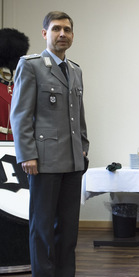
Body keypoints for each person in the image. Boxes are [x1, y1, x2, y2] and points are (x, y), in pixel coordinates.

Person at [10, 11, 89, 276]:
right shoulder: (30, 65)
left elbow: (79, 114)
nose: (62, 34)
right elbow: (19, 115)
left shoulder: (75, 70)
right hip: (43, 161)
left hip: (73, 161)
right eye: (56, 29)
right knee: (42, 228)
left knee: (68, 229)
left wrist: (84, 146)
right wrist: (27, 155)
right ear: (45, 33)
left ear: (73, 35)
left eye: (67, 29)